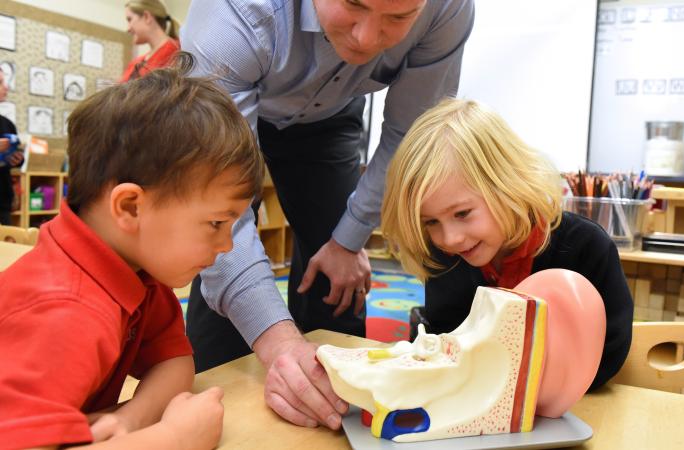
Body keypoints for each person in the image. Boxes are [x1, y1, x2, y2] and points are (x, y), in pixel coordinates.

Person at [180, 0, 475, 430]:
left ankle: (332, 396)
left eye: (397, 18)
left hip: (330, 119)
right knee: (215, 247)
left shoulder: (448, 8)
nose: (366, 39)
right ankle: (219, 388)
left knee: (337, 283)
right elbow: (213, 215)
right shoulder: (231, 16)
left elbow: (407, 135)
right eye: (353, 5)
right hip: (233, 104)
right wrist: (278, 343)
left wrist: (347, 240)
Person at [0, 59, 266, 448]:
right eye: (216, 223)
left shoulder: (137, 272)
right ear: (129, 207)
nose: (227, 245)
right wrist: (173, 438)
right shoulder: (63, 311)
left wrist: (130, 420)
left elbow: (174, 361)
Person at [381, 98, 634, 390]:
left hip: (574, 411)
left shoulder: (587, 248)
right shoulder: (447, 258)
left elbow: (609, 355)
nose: (449, 239)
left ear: (507, 185)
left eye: (462, 214)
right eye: (431, 222)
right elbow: (446, 346)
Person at [121, 0, 180, 82]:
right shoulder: (136, 62)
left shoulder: (176, 53)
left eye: (130, 19)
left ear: (146, 17)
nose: (128, 29)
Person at [0, 71, 24, 225]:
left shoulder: (7, 124)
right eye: (1, 82)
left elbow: (17, 161)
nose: (6, 87)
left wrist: (17, 159)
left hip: (2, 202)